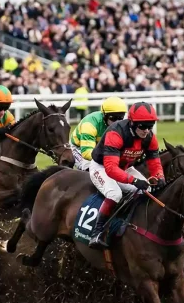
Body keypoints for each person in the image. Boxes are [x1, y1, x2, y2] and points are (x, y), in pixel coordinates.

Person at [86, 102, 167, 249]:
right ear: (131, 123)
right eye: (142, 126)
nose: (146, 130)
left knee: (147, 190)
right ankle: (96, 233)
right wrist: (134, 180)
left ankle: (130, 222)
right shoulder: (115, 133)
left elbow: (154, 162)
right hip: (102, 167)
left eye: (150, 126)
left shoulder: (149, 137)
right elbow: (111, 169)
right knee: (114, 193)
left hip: (125, 167)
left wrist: (160, 176)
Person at [70, 96, 127, 171]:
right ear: (104, 115)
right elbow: (87, 153)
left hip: (99, 147)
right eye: (113, 118)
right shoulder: (90, 124)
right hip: (79, 148)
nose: (117, 122)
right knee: (90, 168)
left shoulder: (122, 125)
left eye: (120, 118)